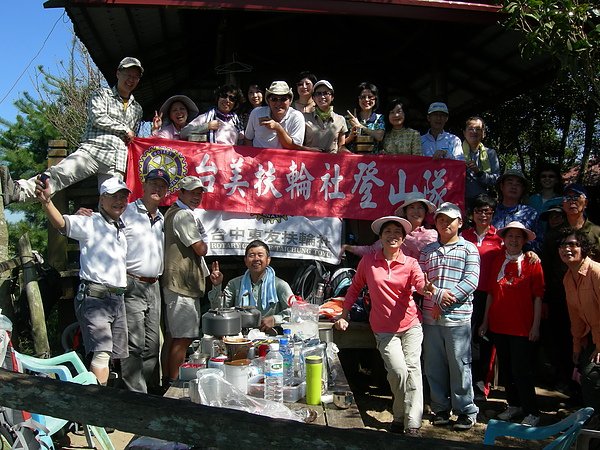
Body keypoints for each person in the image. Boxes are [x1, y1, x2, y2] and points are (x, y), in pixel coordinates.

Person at [335, 216, 432, 436]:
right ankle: (399, 414)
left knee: (414, 371)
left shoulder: (411, 263)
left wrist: (427, 289)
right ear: (380, 237)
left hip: (411, 325)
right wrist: (344, 314)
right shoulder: (369, 261)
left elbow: (420, 285)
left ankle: (412, 423)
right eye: (388, 231)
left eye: (397, 232)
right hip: (384, 329)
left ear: (403, 238)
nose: (393, 236)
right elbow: (354, 288)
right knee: (397, 372)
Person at [1, 57, 144, 205]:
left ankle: (109, 227)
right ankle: (19, 191)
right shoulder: (102, 94)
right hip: (95, 149)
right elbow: (98, 117)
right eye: (128, 74)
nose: (131, 80)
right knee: (60, 173)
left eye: (135, 77)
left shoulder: (137, 109)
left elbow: (132, 138)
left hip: (118, 160)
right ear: (118, 73)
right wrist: (124, 129)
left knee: (114, 198)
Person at [36, 177, 131, 385]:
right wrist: (47, 202)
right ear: (102, 199)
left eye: (123, 197)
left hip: (117, 298)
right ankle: (97, 408)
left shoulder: (120, 226)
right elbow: (62, 223)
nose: (119, 201)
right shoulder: (90, 221)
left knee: (114, 356)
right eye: (114, 196)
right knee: (102, 354)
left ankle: (102, 398)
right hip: (95, 297)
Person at [419, 202, 480, 431]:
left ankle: (466, 410)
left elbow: (471, 281)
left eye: (450, 220)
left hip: (458, 319)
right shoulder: (427, 251)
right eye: (441, 219)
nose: (445, 223)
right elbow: (421, 282)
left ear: (460, 223)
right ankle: (440, 408)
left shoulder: (469, 249)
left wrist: (443, 298)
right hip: (430, 319)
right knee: (433, 366)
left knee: (459, 366)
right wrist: (435, 297)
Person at [478, 221, 544, 427]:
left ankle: (532, 411)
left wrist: (535, 326)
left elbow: (538, 297)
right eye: (510, 236)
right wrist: (485, 322)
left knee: (521, 370)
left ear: (525, 241)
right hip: (498, 324)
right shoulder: (497, 259)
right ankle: (514, 405)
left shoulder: (533, 262)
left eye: (518, 237)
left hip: (522, 326)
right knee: (506, 369)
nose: (514, 241)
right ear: (504, 239)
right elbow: (490, 293)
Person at [541, 183, 600, 394]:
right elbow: (545, 269)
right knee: (563, 341)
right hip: (560, 296)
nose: (572, 202)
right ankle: (568, 385)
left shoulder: (596, 232)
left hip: (594, 298)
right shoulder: (555, 235)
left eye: (577, 197)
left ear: (586, 202)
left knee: (592, 345)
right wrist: (545, 299)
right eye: (567, 198)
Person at [120, 168, 170, 393]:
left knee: (152, 345)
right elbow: (102, 222)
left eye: (162, 185)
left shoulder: (161, 218)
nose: (157, 188)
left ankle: (141, 393)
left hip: (154, 285)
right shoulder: (126, 211)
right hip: (132, 283)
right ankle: (136, 399)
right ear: (144, 184)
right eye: (153, 183)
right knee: (134, 345)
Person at [161, 176, 209, 384]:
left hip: (176, 283)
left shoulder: (174, 213)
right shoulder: (184, 216)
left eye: (199, 193)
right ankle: (174, 384)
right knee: (184, 338)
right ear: (180, 193)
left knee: (173, 338)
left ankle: (166, 382)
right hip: (181, 285)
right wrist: (204, 239)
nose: (196, 197)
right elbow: (201, 248)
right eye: (192, 192)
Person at [461, 194, 504, 399]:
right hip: (466, 295)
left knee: (487, 339)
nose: (483, 215)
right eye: (479, 211)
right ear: (472, 214)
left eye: (487, 211)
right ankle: (464, 381)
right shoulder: (463, 236)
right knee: (464, 339)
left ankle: (482, 384)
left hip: (490, 295)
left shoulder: (501, 239)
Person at [208, 240, 294, 333]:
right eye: (251, 255)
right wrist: (217, 286)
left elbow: (294, 311)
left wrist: (275, 319)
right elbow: (219, 310)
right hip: (239, 337)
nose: (256, 259)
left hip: (271, 338)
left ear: (268, 260)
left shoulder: (280, 285)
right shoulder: (235, 284)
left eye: (260, 255)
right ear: (245, 261)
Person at [558, 229, 600, 411]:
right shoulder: (568, 278)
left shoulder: (596, 272)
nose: (567, 248)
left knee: (592, 375)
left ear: (584, 248)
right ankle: (591, 423)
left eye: (573, 244)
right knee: (584, 372)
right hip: (591, 336)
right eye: (563, 245)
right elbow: (575, 316)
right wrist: (577, 345)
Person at [343, 192, 437, 260]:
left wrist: (400, 236)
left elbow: (425, 251)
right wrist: (348, 247)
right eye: (412, 207)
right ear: (405, 212)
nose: (416, 211)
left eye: (420, 207)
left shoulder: (431, 234)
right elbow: (371, 250)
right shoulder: (395, 233)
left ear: (425, 212)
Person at [244, 81, 305, 149]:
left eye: (283, 99)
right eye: (274, 99)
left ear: (290, 101)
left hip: (284, 158)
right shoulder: (256, 113)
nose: (278, 103)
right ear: (268, 101)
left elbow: (295, 147)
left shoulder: (296, 117)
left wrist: (278, 128)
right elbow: (248, 139)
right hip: (258, 158)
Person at [491, 169, 539, 250]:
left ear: (523, 189)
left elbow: (538, 241)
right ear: (502, 186)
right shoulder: (491, 211)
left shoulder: (531, 214)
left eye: (518, 184)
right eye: (510, 183)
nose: (514, 186)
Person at [462, 116, 500, 208]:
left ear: (483, 134)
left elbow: (496, 180)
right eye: (471, 129)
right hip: (461, 201)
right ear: (464, 133)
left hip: (483, 204)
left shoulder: (490, 153)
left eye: (478, 129)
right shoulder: (456, 152)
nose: (474, 132)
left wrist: (479, 173)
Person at [301, 80, 348, 153]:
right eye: (318, 94)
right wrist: (310, 150)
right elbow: (298, 145)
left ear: (332, 97)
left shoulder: (340, 119)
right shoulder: (304, 118)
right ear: (313, 98)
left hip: (332, 162)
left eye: (326, 93)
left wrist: (348, 153)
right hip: (310, 161)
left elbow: (341, 146)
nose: (322, 97)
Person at [345, 82, 385, 154]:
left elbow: (379, 136)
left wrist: (360, 126)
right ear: (358, 99)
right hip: (353, 161)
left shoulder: (380, 118)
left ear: (375, 99)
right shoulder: (348, 119)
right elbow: (340, 144)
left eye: (370, 97)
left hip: (373, 163)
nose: (366, 100)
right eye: (363, 97)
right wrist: (350, 137)